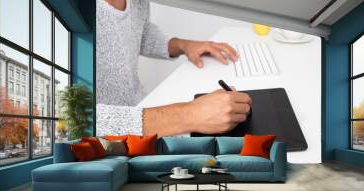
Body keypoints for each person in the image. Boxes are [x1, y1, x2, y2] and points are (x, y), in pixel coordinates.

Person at [97, 0, 252, 137]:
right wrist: (189, 115)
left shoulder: (138, 2)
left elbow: (140, 33)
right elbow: (78, 122)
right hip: (104, 145)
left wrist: (181, 45)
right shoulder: (76, 12)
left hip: (143, 108)